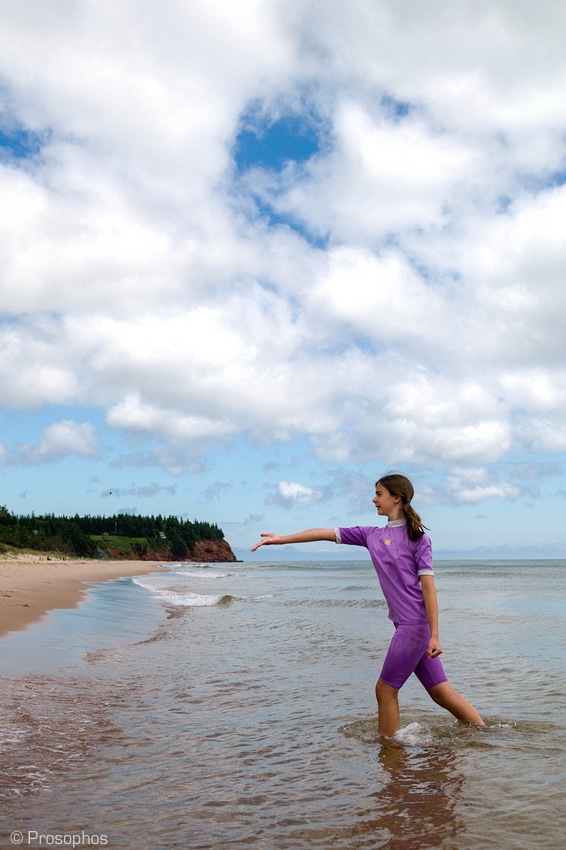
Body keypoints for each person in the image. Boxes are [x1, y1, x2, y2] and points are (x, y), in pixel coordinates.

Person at [251, 473, 484, 736]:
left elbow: (429, 590)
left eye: (379, 494)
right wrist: (282, 539)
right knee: (439, 691)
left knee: (385, 689)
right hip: (406, 626)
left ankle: (390, 749)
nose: (374, 499)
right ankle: (487, 733)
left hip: (414, 627)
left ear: (396, 498)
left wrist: (434, 636)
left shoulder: (419, 539)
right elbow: (324, 533)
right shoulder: (370, 535)